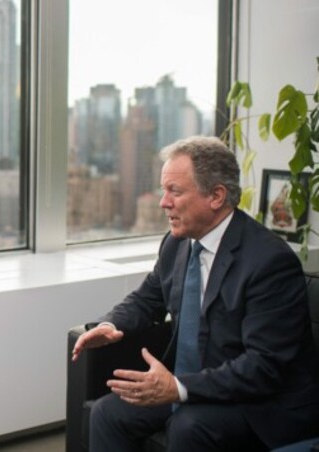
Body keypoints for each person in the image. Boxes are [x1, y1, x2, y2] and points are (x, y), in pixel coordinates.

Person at [71, 136, 319, 451]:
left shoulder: (269, 262)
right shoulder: (176, 243)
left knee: (188, 428)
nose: (163, 202)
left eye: (175, 191)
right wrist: (110, 325)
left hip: (258, 401)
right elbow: (148, 297)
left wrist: (178, 387)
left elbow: (263, 367)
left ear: (216, 196)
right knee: (107, 414)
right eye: (164, 190)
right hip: (192, 383)